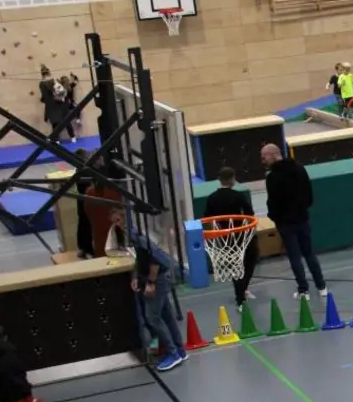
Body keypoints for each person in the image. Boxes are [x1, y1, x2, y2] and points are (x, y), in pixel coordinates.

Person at [261, 142, 327, 299]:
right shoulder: (299, 168)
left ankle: (303, 289)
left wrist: (274, 217)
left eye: (264, 158)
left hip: (285, 223)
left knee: (294, 257)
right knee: (309, 253)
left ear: (273, 155)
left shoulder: (272, 177)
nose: (263, 161)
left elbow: (273, 202)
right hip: (302, 219)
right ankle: (321, 286)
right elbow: (309, 194)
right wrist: (303, 209)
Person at [130, 214, 188, 373]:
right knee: (166, 314)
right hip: (154, 278)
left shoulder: (138, 236)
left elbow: (155, 260)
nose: (118, 223)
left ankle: (172, 353)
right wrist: (136, 276)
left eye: (120, 219)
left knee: (152, 317)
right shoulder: (132, 236)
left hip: (158, 279)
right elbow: (140, 259)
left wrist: (151, 283)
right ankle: (180, 350)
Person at [201, 166, 257, 309]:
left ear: (219, 180)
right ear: (233, 179)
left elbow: (207, 218)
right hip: (241, 234)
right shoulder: (238, 196)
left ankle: (241, 293)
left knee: (235, 265)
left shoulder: (212, 198)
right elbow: (250, 214)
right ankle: (241, 295)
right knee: (249, 261)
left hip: (225, 237)